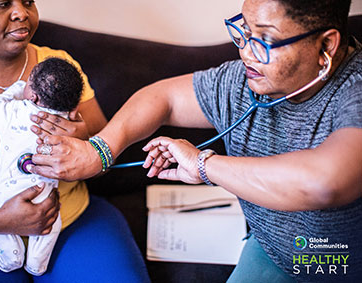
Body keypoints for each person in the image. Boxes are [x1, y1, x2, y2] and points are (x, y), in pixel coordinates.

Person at [29, 0, 362, 282]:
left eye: (264, 39)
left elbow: (325, 183)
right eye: (244, 31)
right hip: (272, 251)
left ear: (326, 45)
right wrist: (100, 149)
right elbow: (163, 98)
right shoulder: (243, 80)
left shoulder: (356, 90)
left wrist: (204, 164)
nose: (246, 51)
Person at [0, 0, 150, 282]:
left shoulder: (59, 67)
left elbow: (107, 154)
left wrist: (83, 140)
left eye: (28, 2)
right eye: (2, 4)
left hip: (70, 221)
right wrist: (0, 220)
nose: (21, 12)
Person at [0, 57, 84, 275]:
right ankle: (37, 263)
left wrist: (15, 90)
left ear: (33, 96)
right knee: (51, 225)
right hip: (44, 193)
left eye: (28, 80)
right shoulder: (67, 123)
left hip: (7, 192)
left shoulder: (15, 113)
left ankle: (11, 254)